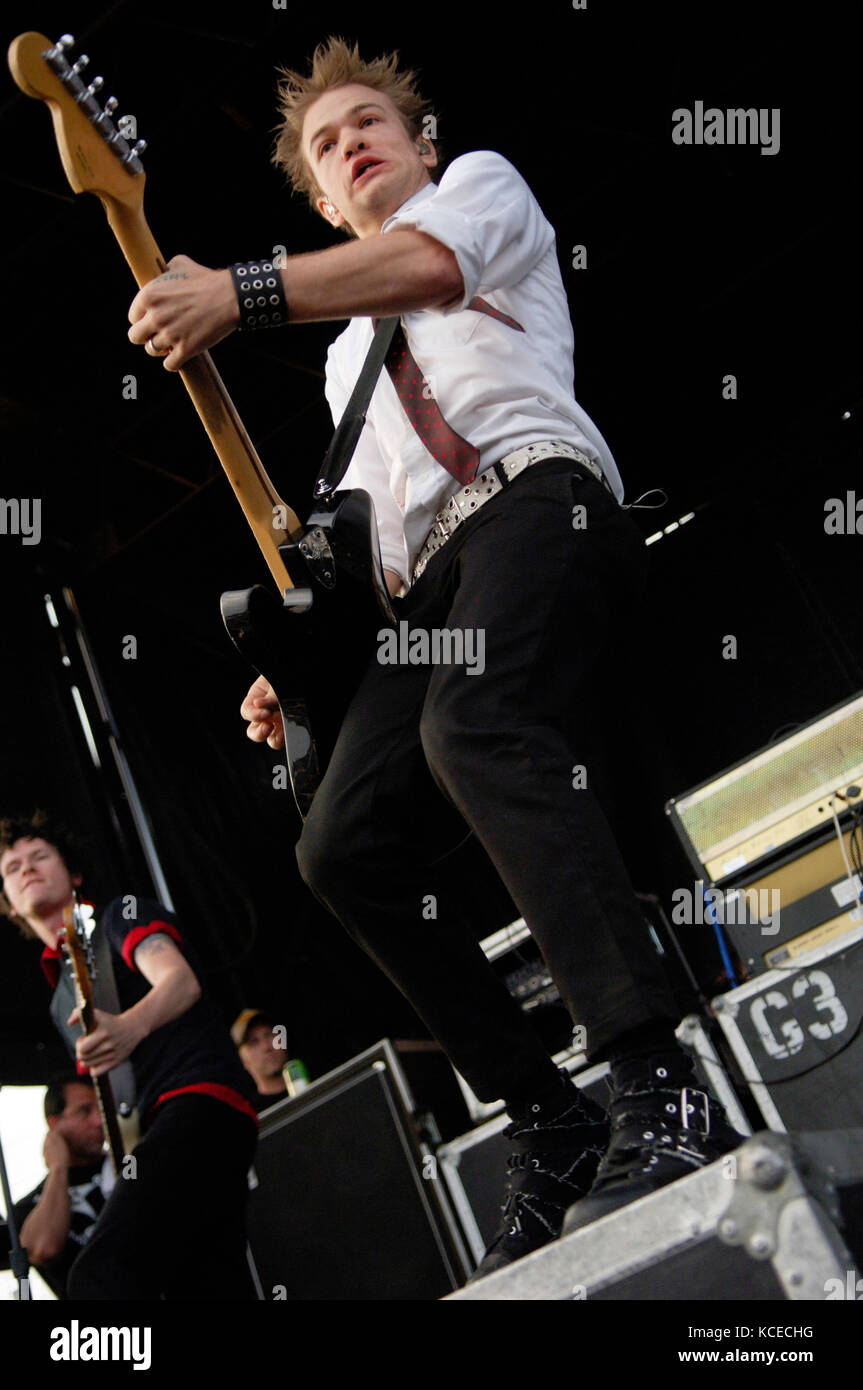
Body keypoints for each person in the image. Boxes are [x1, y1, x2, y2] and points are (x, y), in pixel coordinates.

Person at [125, 37, 744, 1277]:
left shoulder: (478, 193)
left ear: (418, 146)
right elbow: (367, 561)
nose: (350, 142)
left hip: (538, 502)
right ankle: (548, 1113)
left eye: (370, 124)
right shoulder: (343, 361)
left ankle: (651, 1070)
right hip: (433, 585)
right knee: (337, 842)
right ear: (317, 193)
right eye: (324, 144)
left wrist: (238, 291)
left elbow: (420, 268)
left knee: (475, 727)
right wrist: (290, 664)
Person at [0, 812, 258, 1298]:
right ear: (10, 906)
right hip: (157, 1132)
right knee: (206, 1283)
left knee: (99, 1275)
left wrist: (129, 1027)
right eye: (12, 868)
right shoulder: (59, 998)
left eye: (39, 857)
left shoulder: (123, 913)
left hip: (200, 1102)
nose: (26, 869)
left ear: (74, 875)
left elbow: (180, 982)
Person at [4, 1075, 112, 1299]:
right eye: (84, 1111)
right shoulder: (30, 1207)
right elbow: (42, 1249)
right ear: (54, 1123)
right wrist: (59, 1169)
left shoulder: (124, 1165)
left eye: (100, 1109)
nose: (98, 1121)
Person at [231, 1008, 289, 1111]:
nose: (266, 1047)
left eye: (268, 1035)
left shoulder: (316, 1084)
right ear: (242, 1058)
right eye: (254, 1042)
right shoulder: (250, 1117)